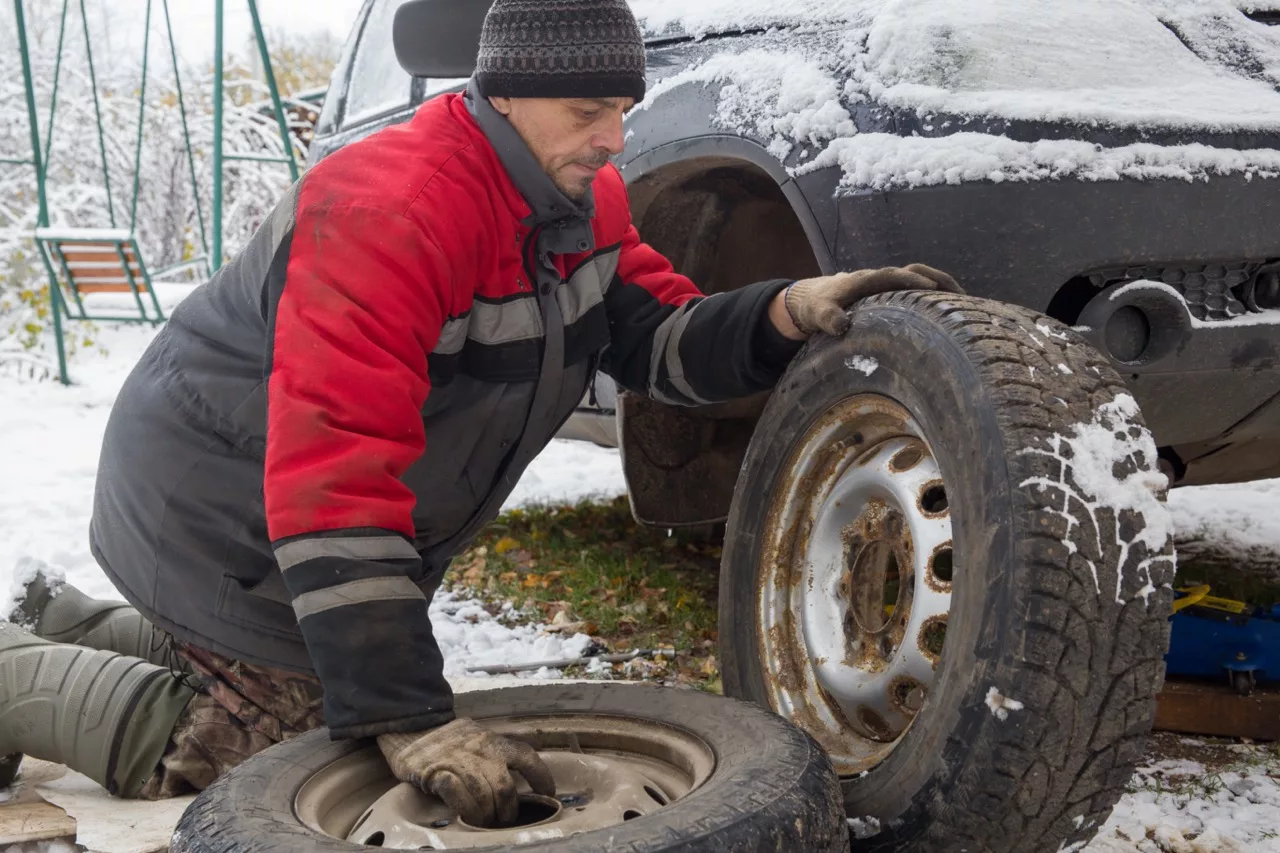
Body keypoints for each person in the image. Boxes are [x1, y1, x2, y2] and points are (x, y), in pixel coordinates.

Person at [0, 0, 960, 828]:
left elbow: (657, 336)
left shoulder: (581, 201)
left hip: (270, 484)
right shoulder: (395, 214)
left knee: (319, 690)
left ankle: (69, 622)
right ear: (503, 94)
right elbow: (337, 474)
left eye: (622, 110)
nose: (614, 138)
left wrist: (787, 308)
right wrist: (411, 716)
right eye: (589, 111)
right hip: (216, 490)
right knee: (251, 746)